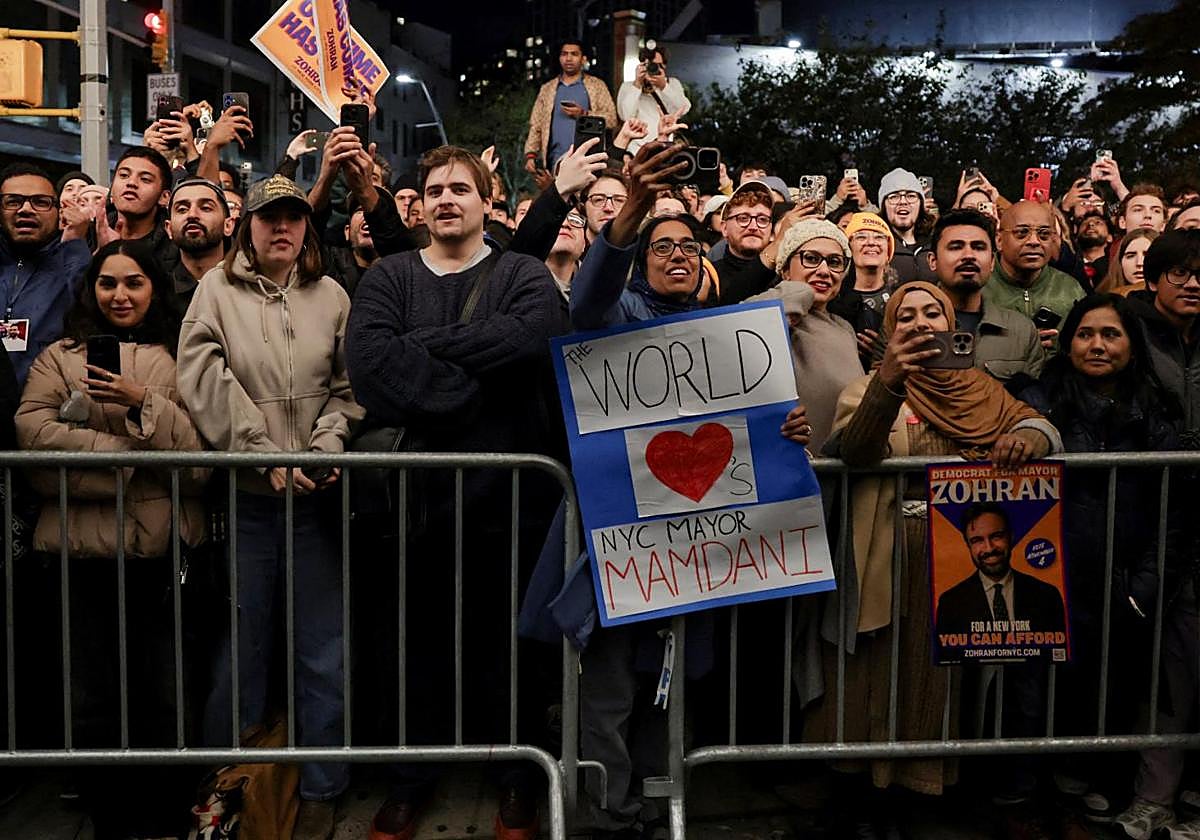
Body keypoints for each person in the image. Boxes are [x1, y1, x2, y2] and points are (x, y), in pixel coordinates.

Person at [567, 140, 811, 838]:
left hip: (698, 544)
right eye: (659, 246)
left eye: (686, 246)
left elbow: (749, 426)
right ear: (640, 266)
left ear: (704, 264)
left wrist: (782, 427)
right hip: (625, 540)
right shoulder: (621, 319)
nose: (676, 254)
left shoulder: (727, 335)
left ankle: (658, 794)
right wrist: (633, 210)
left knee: (671, 677)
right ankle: (606, 810)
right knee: (612, 685)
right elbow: (587, 301)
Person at [345, 145, 567, 840]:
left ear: (485, 200)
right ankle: (412, 779)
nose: (446, 199)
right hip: (414, 507)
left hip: (510, 506)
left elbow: (536, 334)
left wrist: (425, 351)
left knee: (510, 651)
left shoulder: (523, 272)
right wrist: (474, 382)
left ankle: (514, 779)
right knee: (414, 648)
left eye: (460, 189)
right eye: (434, 189)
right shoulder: (388, 276)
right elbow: (372, 365)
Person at [807, 282, 1060, 834]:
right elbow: (855, 450)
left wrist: (1034, 437)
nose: (921, 324)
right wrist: (890, 384)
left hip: (954, 564)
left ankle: (920, 797)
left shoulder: (982, 390)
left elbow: (1036, 421)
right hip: (884, 554)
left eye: (933, 313)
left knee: (934, 682)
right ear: (891, 333)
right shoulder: (865, 386)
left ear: (953, 327)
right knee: (871, 675)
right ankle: (863, 798)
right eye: (907, 317)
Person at [176, 174, 363, 840]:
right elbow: (201, 377)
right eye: (267, 217)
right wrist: (262, 453)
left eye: (291, 217)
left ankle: (322, 784)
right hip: (248, 499)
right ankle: (229, 786)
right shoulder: (213, 293)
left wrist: (323, 446)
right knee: (241, 645)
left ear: (305, 224)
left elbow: (349, 387)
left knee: (323, 646)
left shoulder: (334, 295)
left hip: (315, 501)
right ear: (245, 224)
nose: (281, 227)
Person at [15, 237, 208, 836]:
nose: (120, 295)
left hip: (161, 553)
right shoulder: (57, 358)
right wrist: (130, 452)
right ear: (90, 290)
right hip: (78, 554)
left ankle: (168, 808)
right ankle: (108, 813)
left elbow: (200, 461)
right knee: (91, 693)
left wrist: (140, 401)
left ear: (155, 287)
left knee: (166, 690)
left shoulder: (183, 356)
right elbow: (34, 441)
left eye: (133, 282)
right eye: (107, 283)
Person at [1010, 294, 1179, 825]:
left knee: (1113, 688)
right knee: (1038, 693)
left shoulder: (1157, 407)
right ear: (1067, 340)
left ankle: (1092, 777)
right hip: (1046, 574)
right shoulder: (1037, 397)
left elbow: (1171, 506)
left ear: (1132, 344)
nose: (1097, 345)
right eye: (1085, 333)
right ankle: (1034, 790)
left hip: (1125, 577)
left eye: (1111, 334)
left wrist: (1146, 585)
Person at [744, 218, 860, 451]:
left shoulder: (844, 329)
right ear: (785, 269)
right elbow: (742, 328)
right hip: (790, 468)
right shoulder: (778, 312)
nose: (825, 271)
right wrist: (802, 289)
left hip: (840, 472)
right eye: (811, 259)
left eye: (835, 262)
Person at [0, 162, 92, 387]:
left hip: (46, 406)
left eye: (40, 202)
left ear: (59, 214)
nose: (26, 209)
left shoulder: (71, 264)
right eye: (13, 201)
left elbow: (89, 310)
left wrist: (76, 244)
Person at [928, 209, 1045, 381]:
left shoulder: (1022, 331)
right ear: (932, 261)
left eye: (978, 247)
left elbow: (1033, 404)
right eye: (956, 247)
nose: (968, 255)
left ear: (991, 262)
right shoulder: (907, 324)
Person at [933, 502, 1066, 640]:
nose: (989, 548)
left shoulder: (1047, 596)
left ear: (1011, 537)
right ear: (968, 546)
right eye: (977, 540)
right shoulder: (950, 604)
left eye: (996, 536)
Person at [1125, 229, 1200, 434]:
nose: (1193, 285)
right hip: (1145, 460)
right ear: (1152, 281)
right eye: (1179, 273)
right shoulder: (1126, 329)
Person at [982, 201, 1085, 349]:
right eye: (1022, 233)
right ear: (999, 240)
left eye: (1044, 234)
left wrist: (1061, 346)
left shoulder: (1070, 289)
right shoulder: (979, 287)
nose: (1034, 241)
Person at [524, 39, 618, 173]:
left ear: (583, 59)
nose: (568, 58)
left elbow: (612, 120)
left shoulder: (596, 86)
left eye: (574, 54)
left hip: (588, 160)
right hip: (555, 161)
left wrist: (583, 114)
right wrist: (531, 155)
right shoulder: (548, 89)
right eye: (564, 54)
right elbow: (536, 124)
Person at [826, 212, 898, 370]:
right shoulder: (831, 300)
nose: (871, 242)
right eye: (861, 237)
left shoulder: (901, 300)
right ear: (848, 248)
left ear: (888, 251)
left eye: (879, 237)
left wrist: (885, 356)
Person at [164, 178, 234, 312]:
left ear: (228, 225)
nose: (192, 215)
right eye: (182, 209)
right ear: (169, 228)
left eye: (206, 208)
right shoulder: (154, 288)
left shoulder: (250, 283)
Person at [615, 46, 691, 155]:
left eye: (657, 65)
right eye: (649, 65)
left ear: (664, 65)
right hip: (636, 149)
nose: (652, 68)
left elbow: (684, 109)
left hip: (666, 145)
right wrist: (637, 85)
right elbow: (626, 116)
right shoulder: (628, 87)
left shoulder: (672, 84)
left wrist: (664, 86)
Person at [876, 167, 936, 283]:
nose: (903, 202)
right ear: (884, 206)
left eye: (911, 196)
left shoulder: (936, 243)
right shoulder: (876, 247)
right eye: (894, 197)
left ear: (920, 204)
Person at [1096, 227, 1159, 296]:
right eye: (1130, 256)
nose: (1139, 263)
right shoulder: (1101, 300)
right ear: (1120, 262)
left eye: (1147, 255)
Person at [545, 210, 587, 302]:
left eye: (575, 220)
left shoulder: (600, 287)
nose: (565, 224)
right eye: (556, 218)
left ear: (584, 243)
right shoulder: (519, 281)